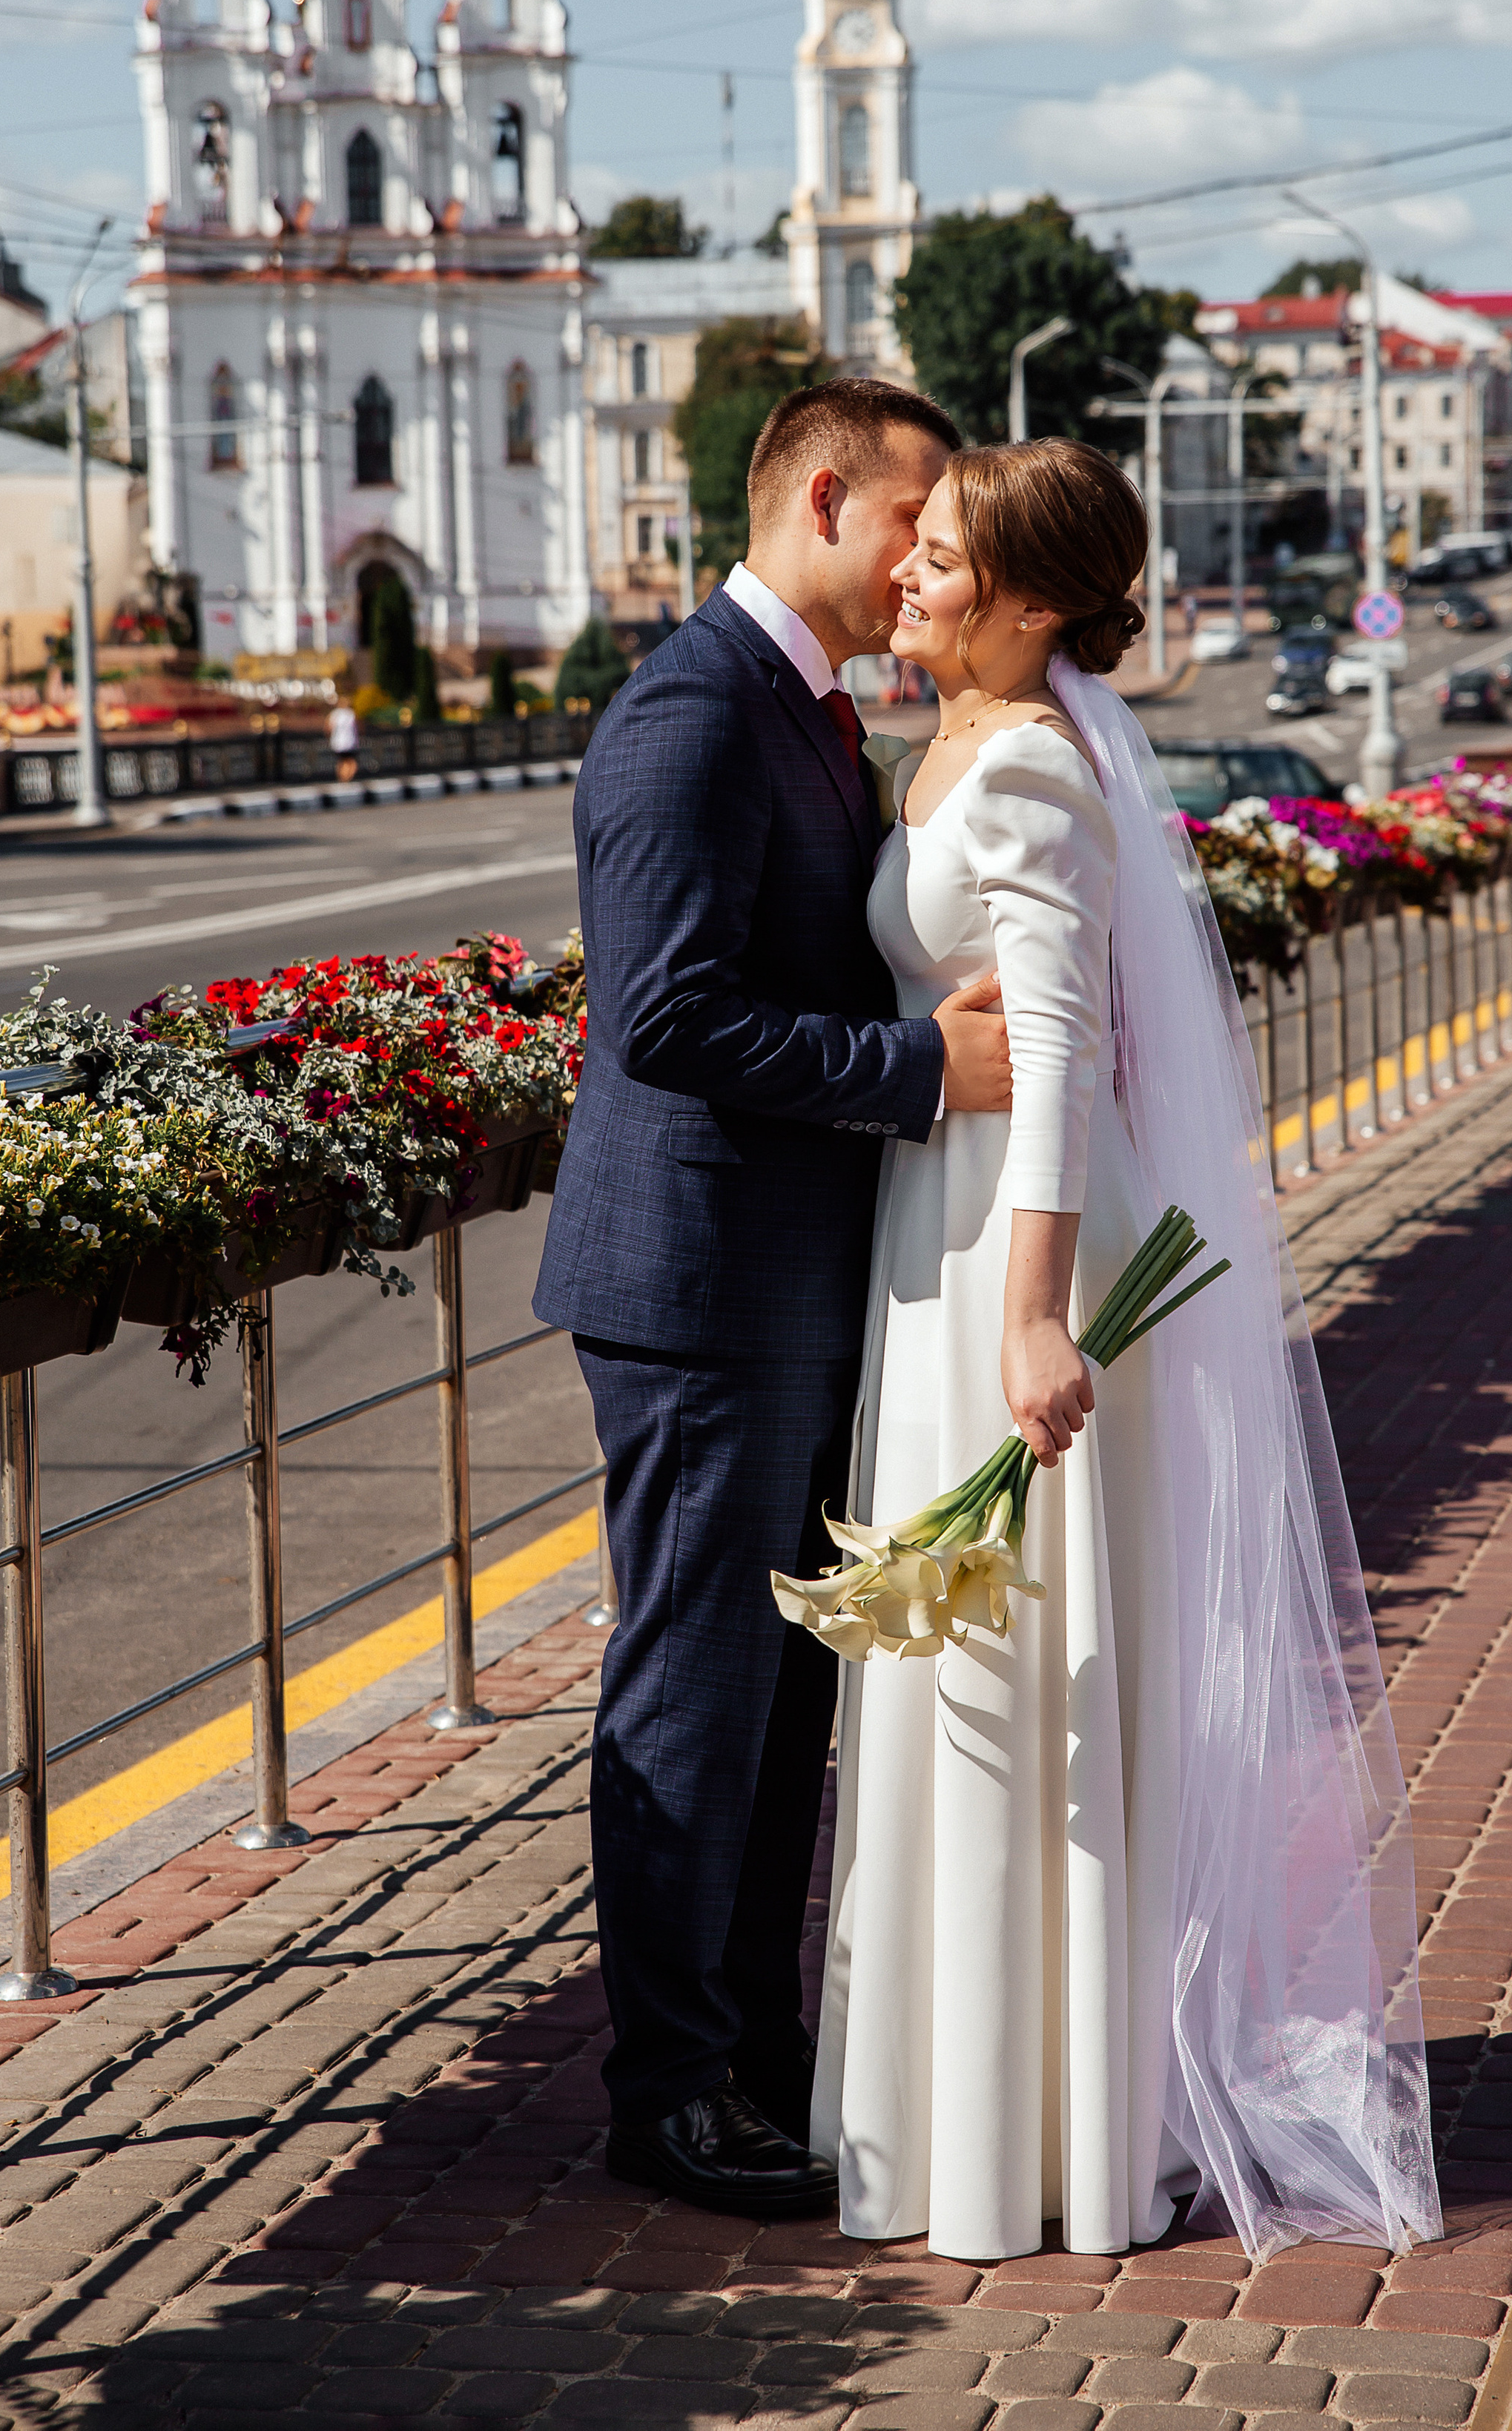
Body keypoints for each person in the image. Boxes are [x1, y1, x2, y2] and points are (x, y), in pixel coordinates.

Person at [813, 438, 1439, 2264]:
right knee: (974, 1676)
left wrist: (1025, 1320)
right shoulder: (953, 740)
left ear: (1023, 604)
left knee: (1023, 1685)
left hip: (1015, 1254)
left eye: (938, 557)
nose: (908, 574)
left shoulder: (1023, 770)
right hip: (940, 1238)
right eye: (914, 547)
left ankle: (1049, 2138)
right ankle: (970, 2113)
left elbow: (1069, 1062)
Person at [535, 377, 1013, 2221]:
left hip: (785, 1280)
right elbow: (661, 1012)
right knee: (694, 1694)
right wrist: (914, 1072)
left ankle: (746, 2056)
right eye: (915, 523)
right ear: (825, 496)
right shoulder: (689, 714)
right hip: (697, 1281)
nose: (923, 567)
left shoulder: (806, 711)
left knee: (774, 1706)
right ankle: (663, 2091)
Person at [327, 693, 361, 785]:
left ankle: (343, 778)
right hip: (350, 742)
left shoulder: (335, 714)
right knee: (350, 761)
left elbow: (328, 728)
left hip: (338, 743)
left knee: (343, 761)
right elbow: (358, 727)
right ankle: (346, 778)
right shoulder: (351, 714)